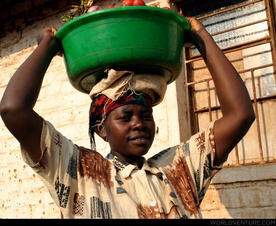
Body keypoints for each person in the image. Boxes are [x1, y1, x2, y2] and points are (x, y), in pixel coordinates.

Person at [0, 17, 255, 219]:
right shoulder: (79, 171)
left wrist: (201, 38)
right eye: (125, 117)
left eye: (146, 115)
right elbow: (13, 109)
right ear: (102, 129)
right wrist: (47, 46)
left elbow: (240, 115)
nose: (139, 123)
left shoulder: (179, 169)